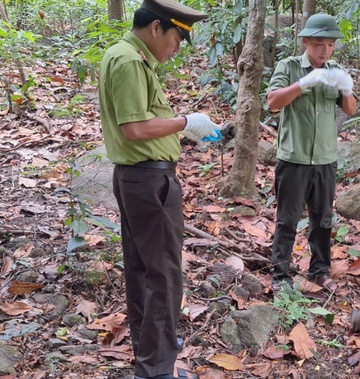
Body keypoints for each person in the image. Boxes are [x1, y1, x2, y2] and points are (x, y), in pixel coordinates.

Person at [98, 1, 220, 378]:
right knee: (163, 273)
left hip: (140, 179)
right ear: (155, 28)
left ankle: (151, 352)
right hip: (150, 183)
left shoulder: (126, 57)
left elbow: (142, 123)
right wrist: (186, 121)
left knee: (143, 269)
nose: (176, 49)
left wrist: (182, 129)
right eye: (176, 39)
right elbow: (134, 128)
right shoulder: (131, 61)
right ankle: (157, 369)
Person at [266, 13, 357, 293]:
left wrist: (346, 86)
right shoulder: (290, 66)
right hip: (294, 158)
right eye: (319, 43)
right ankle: (280, 276)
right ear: (305, 41)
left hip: (325, 159)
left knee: (322, 220)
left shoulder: (335, 69)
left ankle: (319, 271)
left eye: (330, 44)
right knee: (288, 219)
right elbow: (272, 102)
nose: (324, 50)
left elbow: (350, 110)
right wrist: (304, 83)